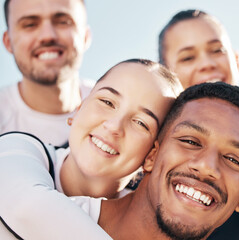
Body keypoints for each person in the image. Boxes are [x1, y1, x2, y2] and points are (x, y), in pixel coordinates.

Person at [0, 59, 183, 239]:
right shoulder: (18, 150)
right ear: (79, 108)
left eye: (141, 123)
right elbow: (27, 208)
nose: (113, 126)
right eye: (107, 102)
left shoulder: (148, 222)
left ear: (152, 155)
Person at [97, 82, 239, 239]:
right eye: (190, 142)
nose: (206, 167)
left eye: (232, 160)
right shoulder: (71, 221)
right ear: (152, 155)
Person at [0, 0, 93, 146]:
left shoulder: (123, 114)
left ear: (86, 37)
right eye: (30, 25)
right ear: (8, 42)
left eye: (63, 21)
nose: (48, 36)